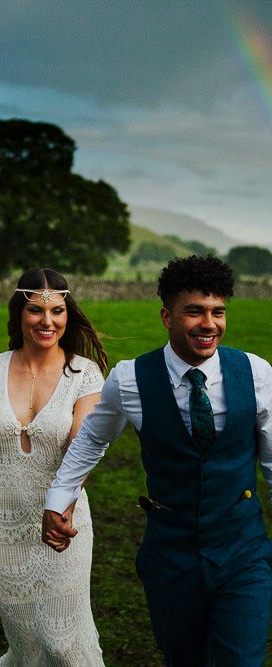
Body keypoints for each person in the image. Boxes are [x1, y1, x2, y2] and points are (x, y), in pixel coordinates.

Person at [42, 254, 272, 666]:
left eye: (218, 312)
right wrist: (59, 497)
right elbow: (93, 438)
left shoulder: (255, 373)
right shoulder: (130, 379)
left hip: (243, 550)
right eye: (195, 312)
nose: (209, 324)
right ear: (167, 316)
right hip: (170, 554)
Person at [0, 268, 107, 665]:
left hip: (64, 526)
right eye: (36, 310)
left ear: (68, 315)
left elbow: (83, 446)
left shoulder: (84, 375)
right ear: (19, 314)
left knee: (65, 643)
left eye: (57, 311)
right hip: (2, 527)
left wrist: (62, 507)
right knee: (28, 646)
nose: (47, 321)